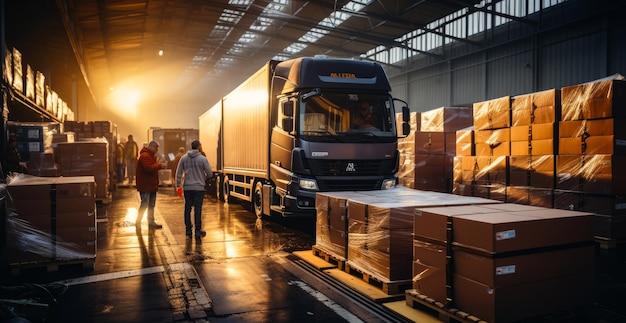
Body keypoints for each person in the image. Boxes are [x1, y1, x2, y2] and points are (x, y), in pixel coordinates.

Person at [175, 140, 212, 238]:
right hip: (199, 188)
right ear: (199, 147)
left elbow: (178, 173)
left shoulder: (184, 158)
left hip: (187, 187)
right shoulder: (202, 159)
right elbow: (210, 173)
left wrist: (177, 186)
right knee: (198, 209)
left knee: (187, 208)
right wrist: (202, 177)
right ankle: (198, 230)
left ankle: (188, 230)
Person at [135, 140, 164, 229]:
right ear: (151, 147)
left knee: (151, 204)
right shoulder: (145, 156)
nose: (157, 150)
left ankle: (151, 221)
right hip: (146, 185)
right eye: (156, 148)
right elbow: (148, 168)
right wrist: (159, 165)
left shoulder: (150, 156)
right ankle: (139, 221)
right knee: (145, 204)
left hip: (150, 185)